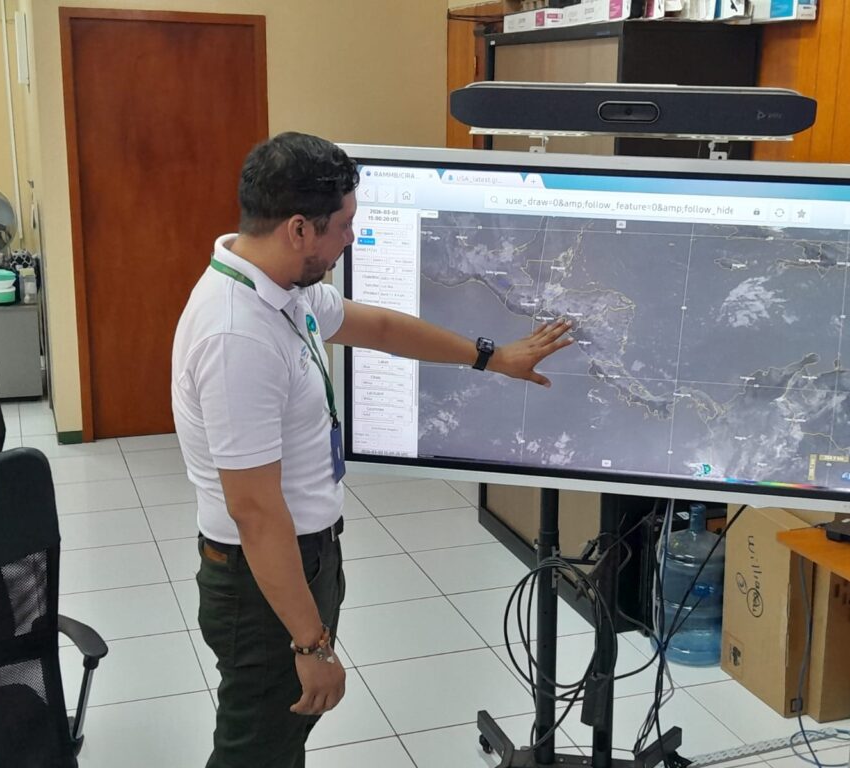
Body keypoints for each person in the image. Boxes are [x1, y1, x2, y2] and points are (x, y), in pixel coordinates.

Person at [171, 131, 573, 768]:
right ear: (299, 229)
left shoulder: (282, 288)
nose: (351, 239)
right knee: (256, 751)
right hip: (261, 580)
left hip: (301, 557)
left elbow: (380, 327)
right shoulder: (236, 335)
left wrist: (493, 357)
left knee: (279, 742)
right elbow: (254, 511)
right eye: (344, 226)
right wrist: (311, 646)